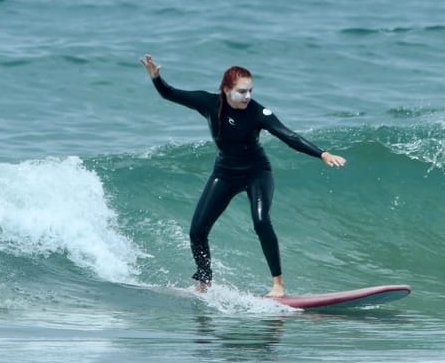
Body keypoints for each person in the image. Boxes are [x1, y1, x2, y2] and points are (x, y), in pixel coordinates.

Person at [140, 54, 346, 297]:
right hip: (225, 173)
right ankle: (204, 283)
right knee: (197, 231)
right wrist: (156, 78)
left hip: (256, 172)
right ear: (226, 90)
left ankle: (278, 285)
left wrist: (321, 153)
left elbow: (288, 136)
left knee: (261, 222)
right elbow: (170, 94)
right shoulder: (209, 103)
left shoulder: (258, 112)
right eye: (242, 91)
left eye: (250, 91)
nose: (248, 96)